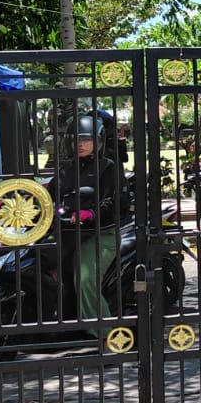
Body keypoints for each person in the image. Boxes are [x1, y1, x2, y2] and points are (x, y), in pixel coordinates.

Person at [49, 114, 122, 327]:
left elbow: (117, 202)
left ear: (98, 141)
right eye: (76, 140)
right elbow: (49, 195)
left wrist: (91, 213)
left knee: (85, 278)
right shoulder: (65, 170)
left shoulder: (108, 168)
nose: (81, 144)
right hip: (67, 232)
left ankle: (105, 334)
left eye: (87, 139)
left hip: (100, 233)